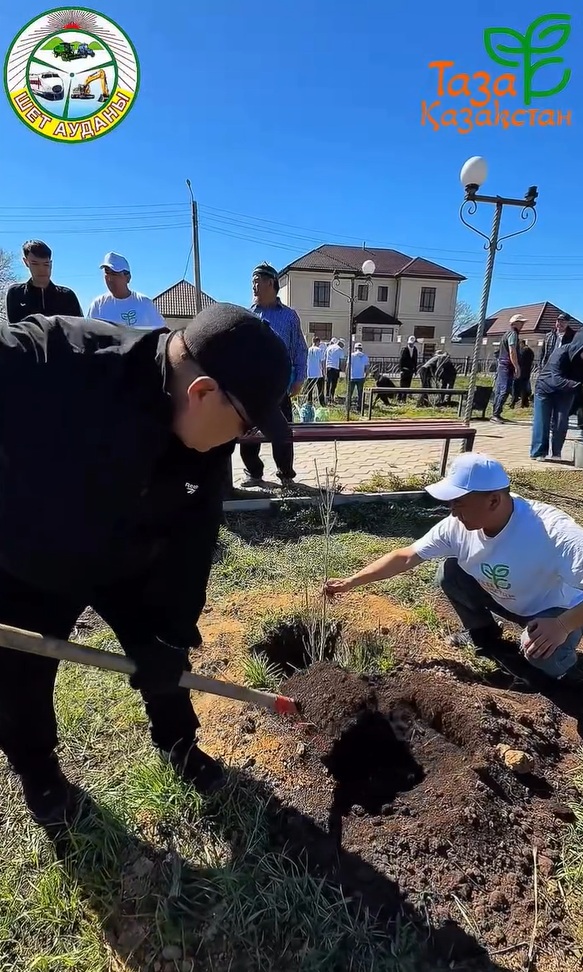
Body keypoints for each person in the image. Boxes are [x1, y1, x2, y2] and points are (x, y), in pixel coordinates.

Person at [0, 303, 291, 827]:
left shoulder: (203, 435)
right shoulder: (47, 359)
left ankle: (179, 745)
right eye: (244, 425)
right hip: (30, 564)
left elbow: (195, 534)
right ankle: (40, 776)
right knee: (17, 683)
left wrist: (174, 636)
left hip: (131, 560)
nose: (242, 440)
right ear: (202, 391)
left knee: (166, 663)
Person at [324, 452, 583, 686]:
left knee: (540, 659)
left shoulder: (553, 532)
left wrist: (561, 625)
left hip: (560, 612)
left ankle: (564, 667)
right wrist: (351, 582)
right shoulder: (457, 526)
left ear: (493, 500)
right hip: (513, 598)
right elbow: (406, 556)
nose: (452, 511)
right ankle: (484, 635)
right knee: (450, 572)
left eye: (458, 502)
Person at [239, 263, 307, 487]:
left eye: (257, 282)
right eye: (252, 283)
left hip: (280, 386)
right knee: (248, 433)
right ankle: (253, 472)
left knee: (282, 432)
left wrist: (299, 379)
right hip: (251, 387)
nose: (254, 287)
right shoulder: (248, 315)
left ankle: (286, 474)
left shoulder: (289, 316)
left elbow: (299, 348)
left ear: (270, 283)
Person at [530, 329, 583, 461]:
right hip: (545, 388)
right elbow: (557, 380)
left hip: (567, 391)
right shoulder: (560, 353)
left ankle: (556, 452)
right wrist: (579, 386)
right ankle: (538, 452)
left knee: (561, 422)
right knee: (542, 421)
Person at [5, 240, 82, 323]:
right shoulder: (16, 293)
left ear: (51, 264)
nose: (41, 269)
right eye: (35, 264)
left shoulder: (67, 296)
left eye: (46, 264)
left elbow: (79, 329)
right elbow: (14, 330)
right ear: (26, 262)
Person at [87, 252, 167, 329]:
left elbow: (161, 333)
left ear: (128, 278)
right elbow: (88, 336)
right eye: (107, 273)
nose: (109, 278)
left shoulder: (144, 303)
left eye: (115, 273)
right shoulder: (98, 305)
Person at [491, 314, 526, 422]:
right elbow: (512, 351)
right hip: (507, 365)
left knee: (500, 389)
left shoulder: (506, 334)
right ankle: (496, 414)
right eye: (521, 323)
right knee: (504, 390)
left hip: (502, 364)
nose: (523, 325)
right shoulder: (513, 334)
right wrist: (517, 366)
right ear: (515, 323)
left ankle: (496, 413)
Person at [510, 341, 534, 408]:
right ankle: (524, 403)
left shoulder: (521, 351)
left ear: (521, 344)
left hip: (520, 371)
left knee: (515, 387)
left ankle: (513, 402)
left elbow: (519, 360)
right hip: (527, 372)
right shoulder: (530, 351)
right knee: (524, 388)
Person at [347, 341, 369, 411]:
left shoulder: (351, 355)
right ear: (361, 349)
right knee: (360, 393)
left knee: (350, 393)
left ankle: (348, 407)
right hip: (360, 377)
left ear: (355, 348)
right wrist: (365, 377)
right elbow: (367, 369)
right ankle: (359, 407)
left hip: (352, 377)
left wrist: (347, 375)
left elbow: (347, 367)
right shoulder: (365, 356)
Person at [304, 336, 326, 406]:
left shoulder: (308, 350)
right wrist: (324, 372)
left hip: (310, 373)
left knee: (310, 391)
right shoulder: (319, 350)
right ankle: (322, 404)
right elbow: (322, 362)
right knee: (320, 390)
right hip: (318, 373)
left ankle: (309, 403)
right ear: (317, 342)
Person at [398, 336, 418, 402]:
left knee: (408, 385)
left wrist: (415, 370)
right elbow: (401, 360)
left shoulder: (415, 350)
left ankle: (404, 399)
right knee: (402, 385)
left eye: (412, 343)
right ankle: (399, 398)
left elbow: (415, 360)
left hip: (410, 370)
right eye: (410, 343)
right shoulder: (404, 349)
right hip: (404, 369)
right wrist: (401, 369)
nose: (411, 344)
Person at [325, 337, 343, 403]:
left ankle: (327, 396)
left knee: (328, 382)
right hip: (336, 367)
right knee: (334, 384)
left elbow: (325, 357)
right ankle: (332, 397)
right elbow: (341, 360)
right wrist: (341, 370)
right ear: (341, 344)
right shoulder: (340, 349)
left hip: (328, 367)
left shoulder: (329, 347)